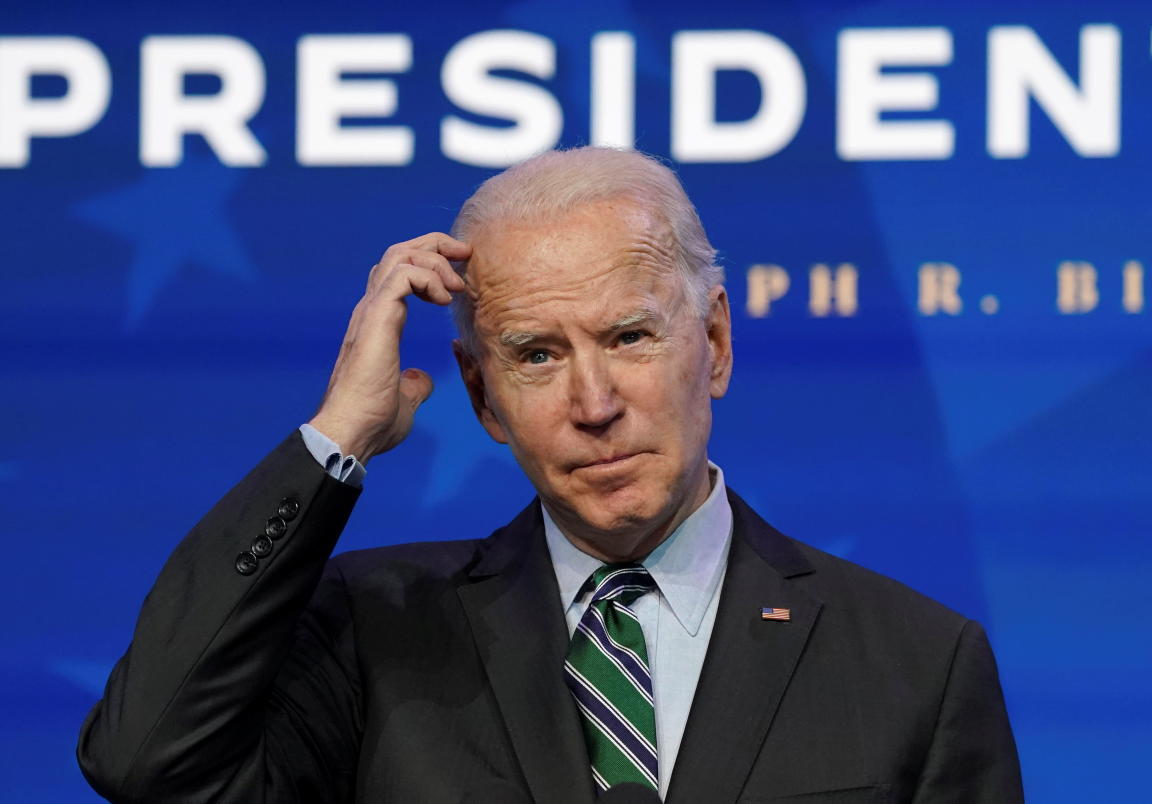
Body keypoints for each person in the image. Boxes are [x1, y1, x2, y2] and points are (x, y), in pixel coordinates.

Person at [77, 146, 1023, 803]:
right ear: (482, 398)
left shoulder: (915, 663)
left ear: (717, 344)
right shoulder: (373, 634)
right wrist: (338, 437)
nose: (595, 400)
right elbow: (147, 758)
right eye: (536, 355)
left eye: (630, 336)